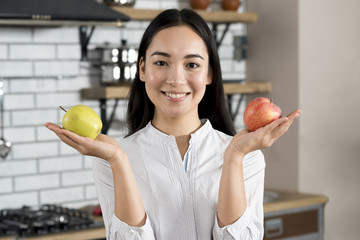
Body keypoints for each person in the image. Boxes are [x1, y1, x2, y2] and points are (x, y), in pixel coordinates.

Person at [45, 8, 301, 240]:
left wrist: (234, 155)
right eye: (161, 63)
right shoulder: (110, 159)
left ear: (210, 73)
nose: (176, 79)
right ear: (142, 69)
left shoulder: (247, 157)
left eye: (191, 64)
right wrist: (117, 160)